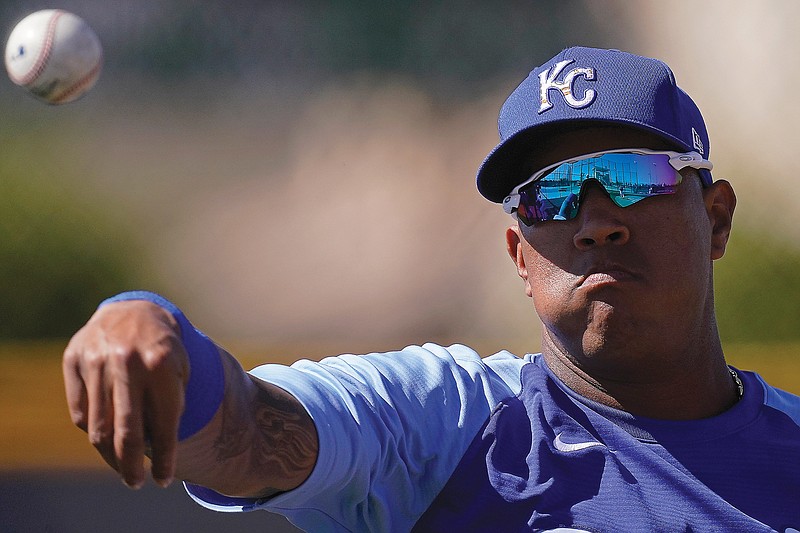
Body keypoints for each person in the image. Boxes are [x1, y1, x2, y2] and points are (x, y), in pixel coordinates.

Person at [63, 46, 800, 532]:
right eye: (552, 195)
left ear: (717, 216)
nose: (595, 221)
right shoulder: (447, 424)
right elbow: (251, 434)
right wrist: (152, 329)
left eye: (635, 177)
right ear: (519, 253)